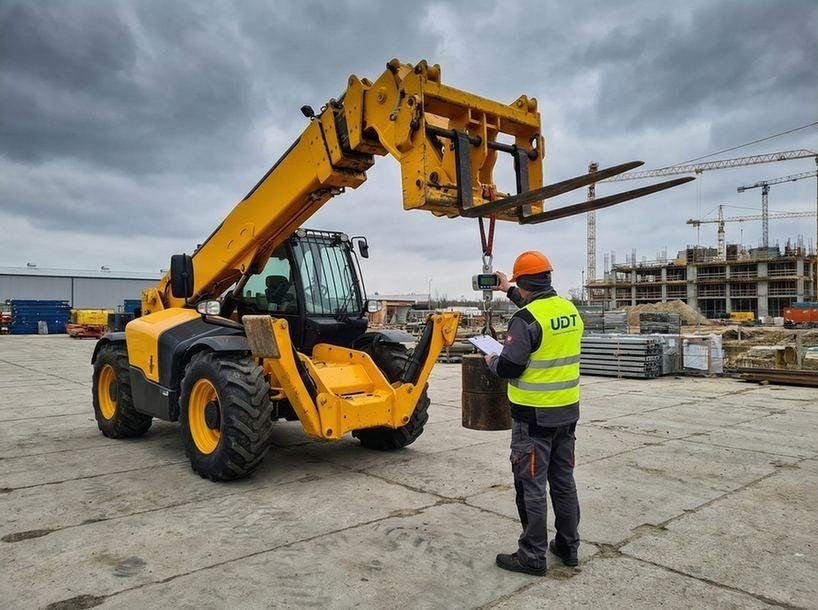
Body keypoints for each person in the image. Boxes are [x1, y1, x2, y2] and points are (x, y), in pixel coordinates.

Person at [485, 250, 583, 576]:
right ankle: (569, 547)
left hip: (533, 419)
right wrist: (506, 290)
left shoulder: (524, 320)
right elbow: (539, 319)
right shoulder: (569, 310)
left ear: (523, 284)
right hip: (567, 414)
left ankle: (532, 556)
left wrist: (493, 360)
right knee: (564, 482)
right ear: (548, 278)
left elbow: (510, 365)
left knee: (531, 486)